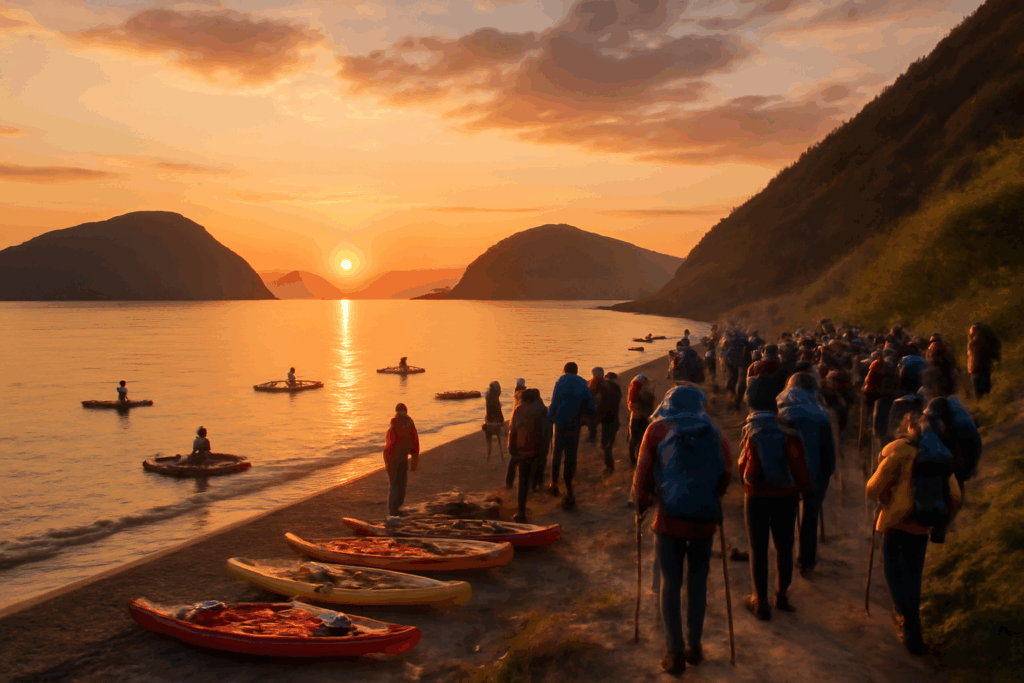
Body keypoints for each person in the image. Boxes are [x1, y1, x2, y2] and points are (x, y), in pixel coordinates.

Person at [632, 385, 732, 674]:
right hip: (705, 520)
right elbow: (726, 473)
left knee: (670, 584)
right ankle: (695, 645)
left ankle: (674, 652)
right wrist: (714, 498)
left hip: (668, 520)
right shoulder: (712, 431)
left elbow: (642, 476)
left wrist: (642, 505)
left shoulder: (657, 431)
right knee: (698, 583)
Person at [866, 411, 961, 655]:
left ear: (910, 428)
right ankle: (914, 626)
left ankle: (905, 623)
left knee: (895, 575)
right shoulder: (940, 456)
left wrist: (887, 497)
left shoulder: (898, 451)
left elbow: (872, 488)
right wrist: (939, 518)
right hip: (921, 526)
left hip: (895, 523)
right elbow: (956, 496)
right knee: (913, 576)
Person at [738, 403, 813, 620]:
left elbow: (743, 466)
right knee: (784, 546)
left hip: (756, 496)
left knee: (757, 548)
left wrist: (748, 487)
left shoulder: (752, 432)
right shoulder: (789, 434)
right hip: (786, 496)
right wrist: (804, 489)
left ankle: (760, 601)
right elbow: (800, 467)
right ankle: (781, 595)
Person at [776, 374, 836, 578]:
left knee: (786, 518)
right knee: (810, 515)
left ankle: (783, 566)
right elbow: (828, 451)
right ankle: (806, 561)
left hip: (785, 473)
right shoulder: (820, 414)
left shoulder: (777, 409)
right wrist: (827, 473)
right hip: (814, 472)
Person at [548, 362, 595, 508]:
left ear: (564, 371)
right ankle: (568, 488)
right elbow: (591, 404)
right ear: (576, 371)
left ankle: (554, 484)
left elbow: (554, 401)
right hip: (575, 423)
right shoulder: (583, 383)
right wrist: (585, 416)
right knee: (570, 455)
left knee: (557, 452)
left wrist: (550, 417)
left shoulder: (560, 381)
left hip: (560, 422)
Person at [508, 388, 550, 522]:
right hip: (536, 449)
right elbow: (545, 432)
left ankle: (521, 512)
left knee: (523, 481)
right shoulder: (542, 410)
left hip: (521, 450)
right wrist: (544, 450)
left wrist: (512, 449)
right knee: (534, 475)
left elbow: (512, 431)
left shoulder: (518, 410)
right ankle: (537, 489)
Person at [384, 403, 420, 516]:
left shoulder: (393, 423)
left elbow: (388, 443)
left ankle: (394, 510)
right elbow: (415, 442)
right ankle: (395, 510)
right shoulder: (408, 422)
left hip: (390, 456)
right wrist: (414, 460)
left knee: (395, 484)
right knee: (399, 484)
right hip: (399, 456)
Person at [745, 344, 785, 413]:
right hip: (775, 398)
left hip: (756, 399)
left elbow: (748, 384)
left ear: (764, 352)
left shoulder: (754, 365)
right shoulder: (782, 366)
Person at [627, 374, 656, 468]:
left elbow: (631, 407)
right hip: (643, 418)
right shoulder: (646, 393)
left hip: (634, 418)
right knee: (641, 440)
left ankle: (633, 460)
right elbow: (649, 407)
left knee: (633, 440)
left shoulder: (632, 394)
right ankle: (639, 460)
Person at [598, 372, 623, 476]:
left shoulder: (604, 387)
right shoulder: (617, 388)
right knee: (609, 443)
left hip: (606, 419)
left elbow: (600, 402)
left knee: (605, 444)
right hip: (614, 419)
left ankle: (609, 466)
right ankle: (609, 465)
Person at [967, 322, 1001, 398]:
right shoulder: (985, 340)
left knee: (980, 389)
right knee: (984, 387)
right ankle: (985, 400)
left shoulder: (974, 342)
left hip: (976, 368)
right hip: (982, 366)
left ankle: (983, 401)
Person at [483, 381, 504, 459]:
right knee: (501, 433)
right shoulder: (495, 399)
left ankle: (489, 454)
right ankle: (502, 453)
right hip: (495, 424)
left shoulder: (488, 396)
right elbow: (499, 413)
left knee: (489, 440)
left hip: (488, 422)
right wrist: (502, 421)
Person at [587, 368, 605, 445]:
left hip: (595, 406)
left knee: (592, 422)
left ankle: (592, 437)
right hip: (603, 406)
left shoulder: (593, 382)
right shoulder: (604, 381)